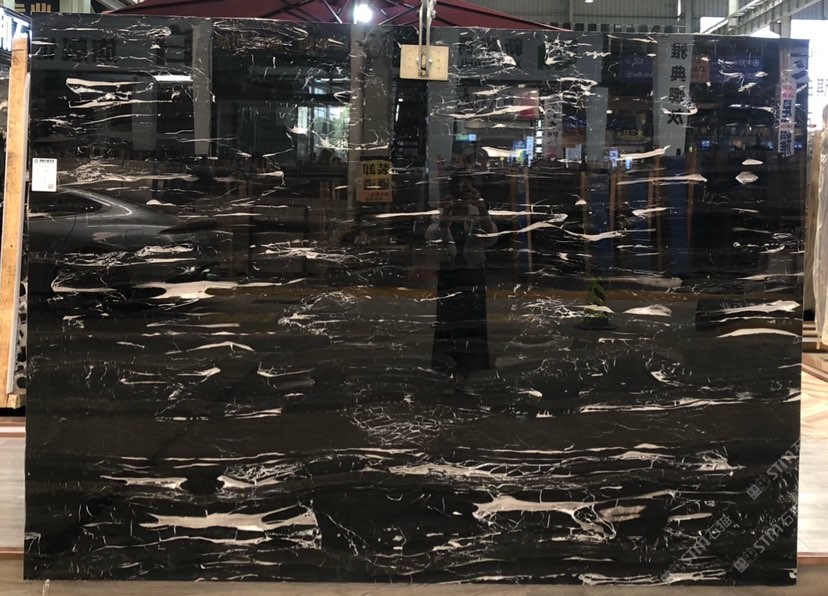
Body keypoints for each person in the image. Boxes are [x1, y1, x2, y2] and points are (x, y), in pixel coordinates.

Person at [425, 176, 497, 377]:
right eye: (459, 194)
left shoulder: (476, 212)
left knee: (474, 324)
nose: (462, 199)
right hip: (449, 275)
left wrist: (482, 210)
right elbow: (430, 238)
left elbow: (491, 238)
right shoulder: (443, 213)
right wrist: (444, 222)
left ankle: (470, 368)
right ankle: (447, 367)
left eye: (466, 194)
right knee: (447, 324)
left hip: (473, 274)